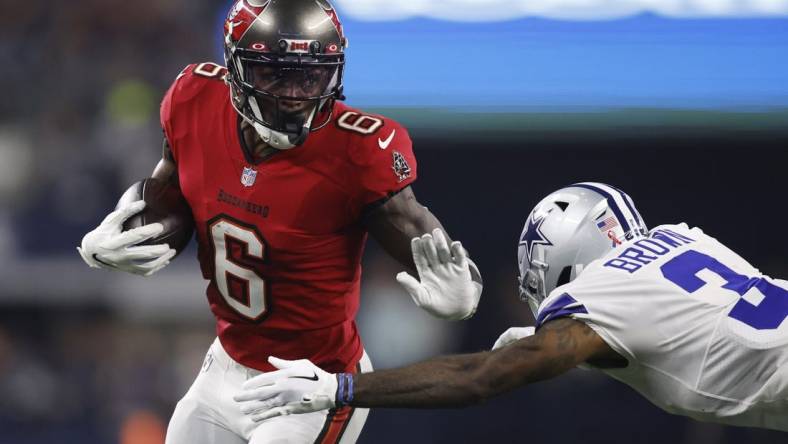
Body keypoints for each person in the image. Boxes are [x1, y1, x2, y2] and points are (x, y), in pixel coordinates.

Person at [76, 1, 483, 443]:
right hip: (224, 365)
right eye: (275, 73)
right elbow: (172, 196)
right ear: (235, 68)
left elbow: (415, 226)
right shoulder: (194, 98)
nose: (294, 94)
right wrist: (129, 227)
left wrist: (464, 286)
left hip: (312, 381)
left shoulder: (360, 150)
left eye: (310, 75)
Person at [236, 182, 788, 432]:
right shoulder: (684, 238)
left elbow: (481, 379)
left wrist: (339, 388)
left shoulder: (598, 298)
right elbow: (690, 329)